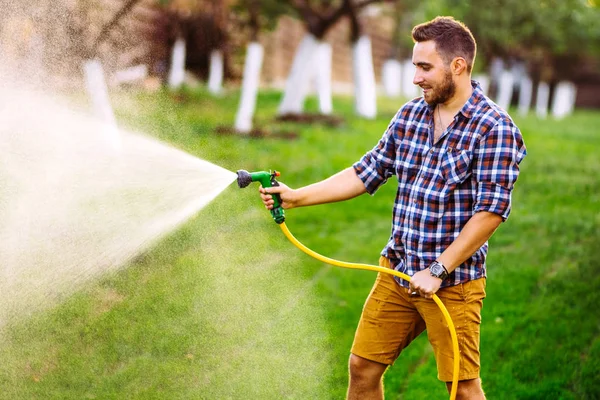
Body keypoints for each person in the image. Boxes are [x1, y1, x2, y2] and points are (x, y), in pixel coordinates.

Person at [260, 16, 526, 400]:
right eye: (414, 66)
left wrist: (438, 269)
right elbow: (365, 172)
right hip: (398, 271)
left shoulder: (494, 127)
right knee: (362, 368)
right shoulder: (410, 116)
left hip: (453, 283)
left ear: (458, 66)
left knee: (464, 389)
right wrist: (297, 196)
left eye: (424, 67)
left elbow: (491, 212)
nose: (415, 78)